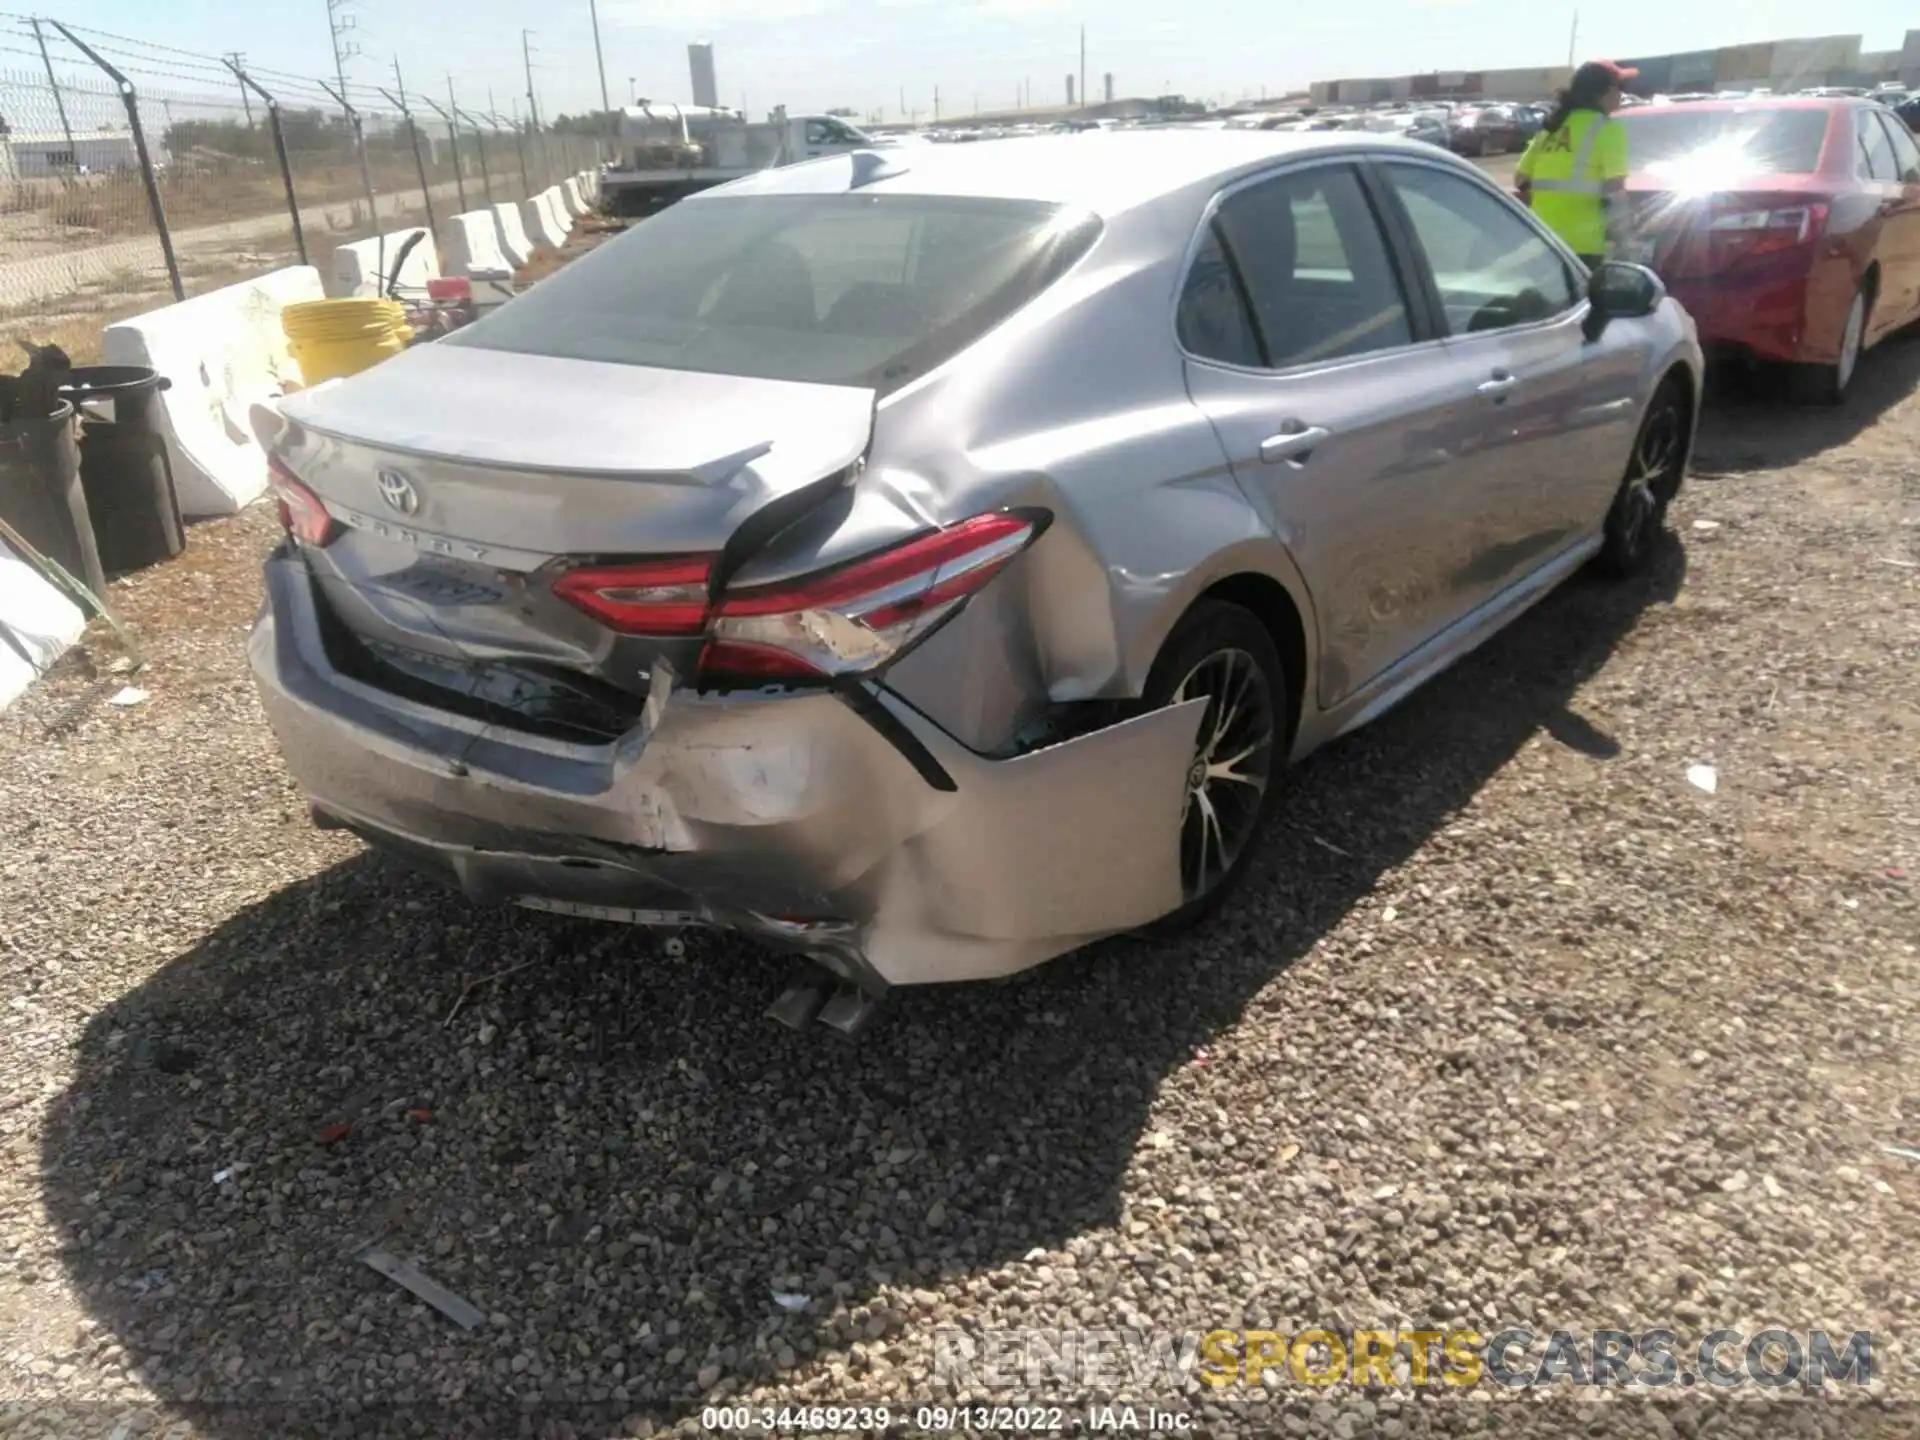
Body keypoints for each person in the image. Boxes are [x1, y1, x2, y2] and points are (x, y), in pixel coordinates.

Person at [1515, 60, 1638, 269]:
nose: (1623, 94)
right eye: (1621, 87)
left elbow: (1521, 179)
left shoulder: (1552, 127)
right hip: (1583, 247)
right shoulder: (1608, 129)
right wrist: (1624, 244)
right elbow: (1615, 193)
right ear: (1603, 91)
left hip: (1541, 241)